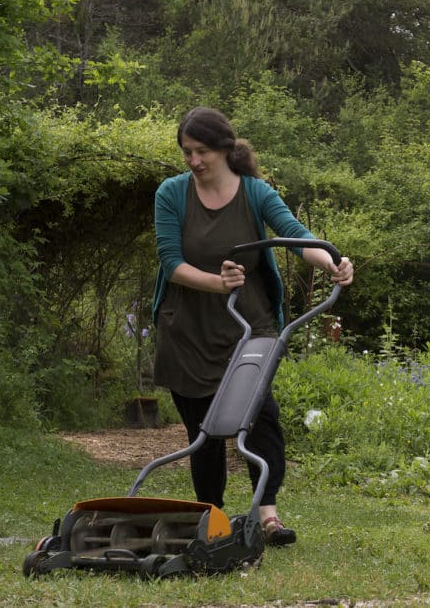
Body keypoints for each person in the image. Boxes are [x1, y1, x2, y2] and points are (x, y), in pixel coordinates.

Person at [151, 106, 353, 546]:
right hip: (188, 329)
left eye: (201, 151)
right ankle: (213, 518)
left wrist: (332, 260)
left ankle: (268, 516)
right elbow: (171, 264)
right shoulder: (171, 193)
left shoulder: (255, 192)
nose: (193, 161)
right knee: (202, 432)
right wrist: (218, 283)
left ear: (225, 148)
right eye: (187, 152)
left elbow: (296, 236)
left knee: (261, 417)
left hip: (251, 326)